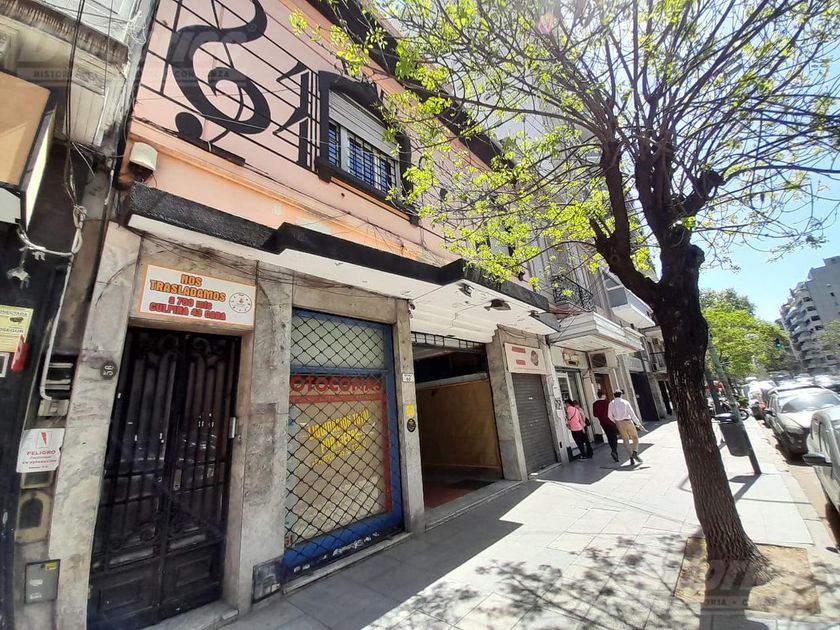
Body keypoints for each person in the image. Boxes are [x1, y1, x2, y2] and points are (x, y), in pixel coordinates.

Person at [607, 390, 645, 465]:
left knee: (625, 440)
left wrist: (615, 421)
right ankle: (635, 452)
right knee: (635, 437)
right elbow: (632, 414)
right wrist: (639, 424)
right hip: (628, 421)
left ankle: (631, 457)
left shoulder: (611, 403)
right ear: (621, 395)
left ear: (614, 395)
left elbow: (609, 415)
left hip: (619, 423)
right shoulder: (625, 402)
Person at [592, 390, 619, 462]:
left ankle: (613, 450)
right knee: (614, 437)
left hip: (603, 423)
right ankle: (614, 451)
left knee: (609, 437)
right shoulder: (608, 403)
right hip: (611, 422)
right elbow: (614, 412)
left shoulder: (595, 404)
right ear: (604, 395)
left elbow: (595, 414)